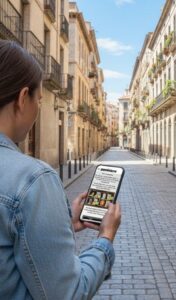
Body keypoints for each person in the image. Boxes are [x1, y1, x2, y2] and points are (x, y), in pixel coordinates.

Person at [0, 40, 121, 299]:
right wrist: (105, 238)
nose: (37, 109)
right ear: (23, 98)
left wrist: (63, 224)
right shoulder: (32, 179)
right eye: (39, 100)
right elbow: (69, 293)